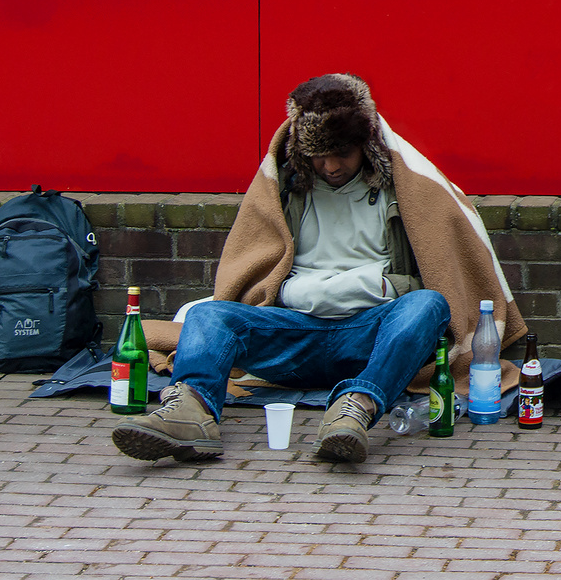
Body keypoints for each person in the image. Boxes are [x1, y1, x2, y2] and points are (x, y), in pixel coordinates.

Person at [112, 73, 527, 464]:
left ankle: (354, 409)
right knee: (208, 314)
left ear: (366, 144)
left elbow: (439, 270)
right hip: (293, 334)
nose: (330, 166)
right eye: (318, 155)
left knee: (430, 305)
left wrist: (372, 289)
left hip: (368, 337)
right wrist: (351, 288)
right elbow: (259, 266)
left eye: (342, 153)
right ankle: (189, 411)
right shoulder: (287, 189)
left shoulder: (402, 190)